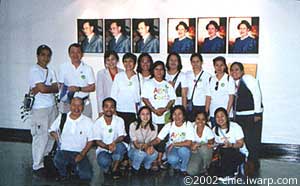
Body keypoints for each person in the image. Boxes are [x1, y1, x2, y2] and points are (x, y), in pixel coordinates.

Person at [29, 45, 59, 176]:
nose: (45, 58)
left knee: (51, 134)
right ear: (37, 56)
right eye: (43, 55)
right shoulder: (34, 70)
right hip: (40, 109)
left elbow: (57, 88)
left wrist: (46, 88)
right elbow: (43, 89)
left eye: (48, 55)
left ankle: (46, 157)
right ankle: (37, 165)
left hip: (52, 106)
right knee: (40, 137)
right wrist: (47, 87)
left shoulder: (50, 70)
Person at [141, 61, 176, 169]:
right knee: (154, 137)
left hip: (165, 116)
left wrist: (165, 109)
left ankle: (160, 160)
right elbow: (144, 98)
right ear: (153, 70)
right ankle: (153, 160)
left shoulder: (167, 84)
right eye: (156, 69)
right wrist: (153, 110)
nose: (159, 71)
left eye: (161, 69)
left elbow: (172, 99)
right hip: (153, 116)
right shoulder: (148, 83)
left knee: (163, 138)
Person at [49, 97, 94, 181]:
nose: (76, 108)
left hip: (79, 152)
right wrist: (54, 135)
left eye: (79, 105)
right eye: (74, 105)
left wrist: (82, 154)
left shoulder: (88, 121)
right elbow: (51, 130)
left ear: (83, 107)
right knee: (58, 159)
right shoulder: (62, 117)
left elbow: (91, 141)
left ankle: (74, 167)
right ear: (70, 106)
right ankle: (64, 174)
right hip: (64, 151)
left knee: (86, 176)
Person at [230, 62, 263, 170]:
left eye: (237, 69)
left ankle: (254, 165)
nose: (234, 72)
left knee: (252, 141)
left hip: (251, 115)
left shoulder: (248, 78)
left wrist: (257, 113)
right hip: (239, 116)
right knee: (242, 140)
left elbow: (257, 94)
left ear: (242, 71)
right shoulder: (232, 83)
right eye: (232, 70)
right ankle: (244, 163)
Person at [149, 106, 194, 175]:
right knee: (172, 159)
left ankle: (183, 169)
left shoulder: (188, 124)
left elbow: (188, 143)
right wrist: (149, 144)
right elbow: (158, 139)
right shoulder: (169, 125)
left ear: (184, 115)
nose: (177, 116)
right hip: (172, 148)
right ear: (172, 116)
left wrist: (174, 144)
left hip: (184, 147)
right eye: (174, 114)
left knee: (183, 151)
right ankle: (177, 167)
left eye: (179, 114)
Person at [93, 97, 127, 179]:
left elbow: (121, 136)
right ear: (103, 108)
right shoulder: (97, 123)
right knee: (103, 161)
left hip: (116, 146)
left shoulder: (119, 120)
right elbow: (97, 140)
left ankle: (114, 169)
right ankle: (113, 165)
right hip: (103, 148)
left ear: (115, 108)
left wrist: (114, 143)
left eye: (112, 107)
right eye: (106, 106)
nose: (109, 109)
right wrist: (107, 147)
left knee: (121, 147)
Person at [58, 43, 95, 118]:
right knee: (67, 127)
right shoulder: (63, 67)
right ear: (69, 54)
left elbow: (92, 87)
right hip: (68, 104)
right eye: (72, 52)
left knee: (86, 127)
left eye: (78, 52)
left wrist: (79, 89)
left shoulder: (88, 68)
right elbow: (60, 85)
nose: (75, 55)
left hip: (84, 103)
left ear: (82, 54)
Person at [111, 53, 139, 143]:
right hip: (119, 110)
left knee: (132, 135)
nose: (128, 64)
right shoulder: (119, 76)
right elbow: (113, 94)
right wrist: (113, 110)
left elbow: (140, 97)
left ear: (135, 63)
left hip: (133, 111)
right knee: (121, 135)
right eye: (125, 61)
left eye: (130, 61)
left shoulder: (139, 77)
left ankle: (129, 155)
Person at [213, 107, 248, 179]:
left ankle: (231, 173)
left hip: (238, 152)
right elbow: (215, 145)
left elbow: (240, 144)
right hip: (222, 154)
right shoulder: (214, 130)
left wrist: (231, 145)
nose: (220, 119)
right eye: (217, 117)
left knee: (228, 151)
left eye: (222, 116)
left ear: (227, 116)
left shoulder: (235, 127)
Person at [206, 56, 235, 127]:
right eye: (217, 65)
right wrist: (206, 113)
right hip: (213, 114)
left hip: (225, 114)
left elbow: (231, 98)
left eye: (221, 65)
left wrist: (226, 113)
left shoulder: (229, 78)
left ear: (225, 66)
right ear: (214, 66)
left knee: (227, 136)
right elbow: (208, 98)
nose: (219, 67)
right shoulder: (211, 79)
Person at [128, 106, 158, 173]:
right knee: (140, 153)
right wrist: (145, 147)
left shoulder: (155, 127)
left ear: (150, 115)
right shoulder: (133, 125)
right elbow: (136, 145)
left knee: (155, 154)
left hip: (146, 149)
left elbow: (152, 143)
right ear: (139, 116)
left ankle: (147, 166)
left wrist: (150, 147)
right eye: (143, 114)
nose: (145, 116)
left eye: (147, 114)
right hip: (134, 151)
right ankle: (135, 167)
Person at [96, 51, 123, 116]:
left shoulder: (122, 72)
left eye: (113, 59)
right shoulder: (101, 73)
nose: (111, 62)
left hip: (121, 107)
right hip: (107, 107)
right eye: (108, 60)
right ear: (105, 61)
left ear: (117, 60)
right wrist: (101, 110)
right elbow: (100, 93)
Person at [187, 111, 214, 176]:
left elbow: (211, 145)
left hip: (206, 153)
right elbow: (188, 142)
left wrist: (199, 144)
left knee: (204, 148)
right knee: (191, 172)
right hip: (195, 152)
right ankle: (202, 167)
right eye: (198, 119)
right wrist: (192, 146)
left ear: (206, 120)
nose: (200, 121)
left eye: (203, 119)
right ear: (195, 119)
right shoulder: (191, 127)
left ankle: (207, 167)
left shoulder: (208, 130)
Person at [185, 53, 211, 122]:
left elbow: (208, 96)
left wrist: (206, 111)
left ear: (202, 62)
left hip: (202, 106)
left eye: (197, 61)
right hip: (190, 106)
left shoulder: (207, 76)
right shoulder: (187, 74)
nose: (195, 64)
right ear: (190, 63)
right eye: (193, 62)